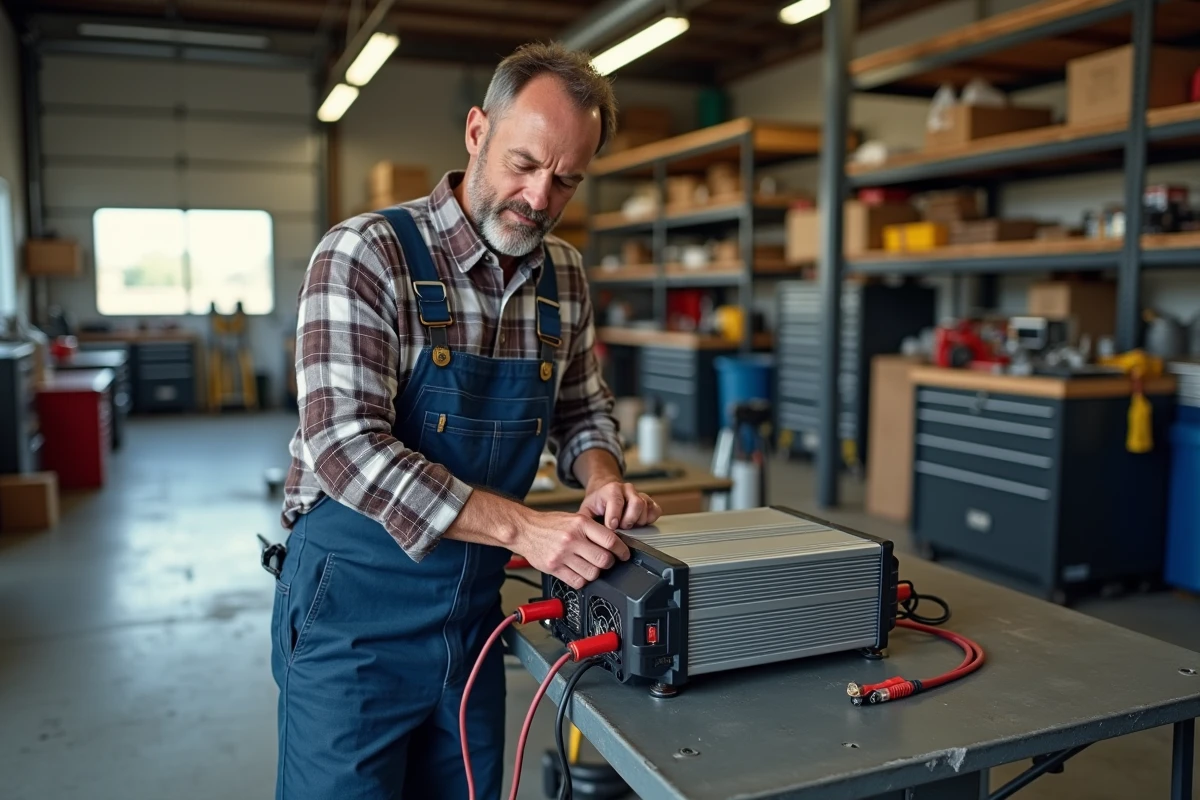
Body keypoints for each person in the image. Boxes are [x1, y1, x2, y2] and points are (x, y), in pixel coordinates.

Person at [271, 42, 663, 800]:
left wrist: (604, 476)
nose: (541, 198)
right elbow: (346, 447)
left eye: (567, 179)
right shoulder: (365, 254)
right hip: (351, 621)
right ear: (478, 131)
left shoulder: (566, 277)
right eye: (524, 164)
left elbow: (582, 408)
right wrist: (526, 529)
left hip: (471, 626)